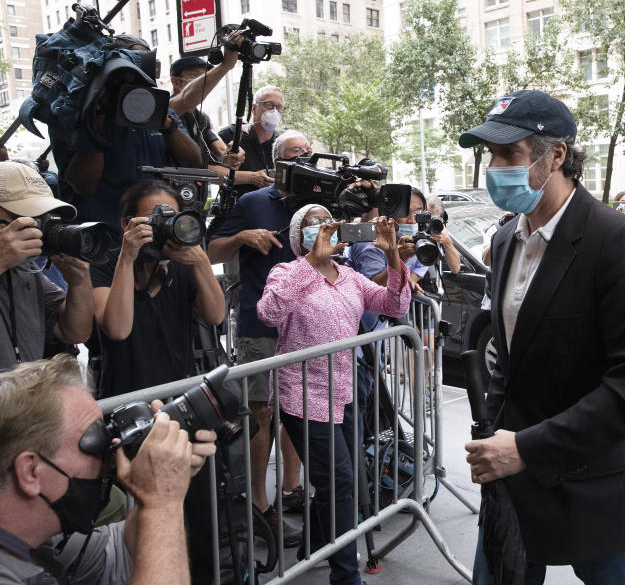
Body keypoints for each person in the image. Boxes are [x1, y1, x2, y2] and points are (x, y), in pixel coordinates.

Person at [459, 89, 625, 584]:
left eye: (508, 154)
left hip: (596, 485)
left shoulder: (616, 240)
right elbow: (511, 358)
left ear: (556, 155)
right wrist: (495, 432)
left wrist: (528, 447)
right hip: (512, 479)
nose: (494, 167)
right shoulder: (505, 238)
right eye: (490, 154)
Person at [258, 205, 411, 585]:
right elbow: (267, 312)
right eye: (311, 225)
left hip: (343, 392)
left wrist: (393, 255)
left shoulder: (350, 277)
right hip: (301, 395)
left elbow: (395, 305)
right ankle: (346, 576)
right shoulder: (287, 271)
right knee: (341, 481)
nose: (321, 229)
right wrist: (309, 262)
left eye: (326, 222)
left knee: (335, 481)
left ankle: (313, 541)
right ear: (298, 238)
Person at [0, 354, 217, 585]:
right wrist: (163, 502)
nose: (111, 458)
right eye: (93, 443)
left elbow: (125, 549)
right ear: (31, 471)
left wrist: (158, 487)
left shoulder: (33, 541)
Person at [207, 130, 315, 545]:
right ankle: (259, 506)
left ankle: (291, 489)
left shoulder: (319, 204)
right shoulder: (252, 203)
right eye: (295, 153)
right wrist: (241, 238)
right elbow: (210, 248)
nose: (304, 157)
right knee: (263, 414)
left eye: (308, 151)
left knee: (301, 410)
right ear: (277, 162)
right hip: (261, 327)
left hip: (310, 327)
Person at [91, 180, 224, 397]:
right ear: (126, 224)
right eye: (153, 220)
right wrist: (127, 257)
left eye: (172, 219)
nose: (163, 227)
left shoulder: (183, 261)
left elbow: (215, 315)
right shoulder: (106, 262)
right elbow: (118, 329)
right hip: (125, 396)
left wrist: (201, 261)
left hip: (180, 392)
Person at [57, 35, 201, 232]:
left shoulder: (160, 110)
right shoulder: (86, 116)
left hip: (154, 229)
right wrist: (97, 120)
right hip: (104, 234)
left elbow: (193, 161)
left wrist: (165, 124)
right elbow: (83, 186)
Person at [0, 162, 93, 372]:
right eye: (24, 216)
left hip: (20, 401)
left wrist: (79, 283)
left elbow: (73, 331)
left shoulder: (25, 269)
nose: (35, 227)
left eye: (41, 218)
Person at [168, 55, 245, 173]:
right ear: (176, 82)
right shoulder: (167, 111)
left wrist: (230, 155)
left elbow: (220, 149)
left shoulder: (202, 118)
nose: (203, 81)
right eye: (195, 75)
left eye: (205, 76)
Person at [218, 85, 285, 197]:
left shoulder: (282, 143)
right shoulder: (231, 134)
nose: (274, 111)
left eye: (279, 107)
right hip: (235, 207)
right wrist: (251, 178)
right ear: (254, 108)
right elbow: (210, 171)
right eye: (269, 105)